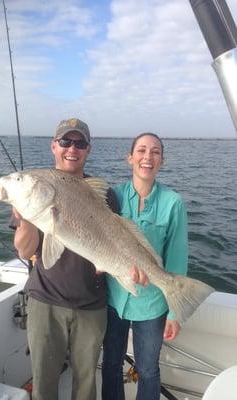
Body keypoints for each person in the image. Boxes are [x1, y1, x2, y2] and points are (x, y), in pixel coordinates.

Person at [13, 118, 139, 400]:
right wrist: (26, 220)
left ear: (88, 150)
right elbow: (24, 251)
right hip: (45, 301)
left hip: (91, 305)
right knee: (44, 384)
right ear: (53, 147)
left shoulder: (103, 194)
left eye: (80, 143)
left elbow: (116, 241)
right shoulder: (34, 189)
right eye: (65, 142)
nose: (72, 148)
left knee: (85, 385)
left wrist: (132, 268)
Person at [101, 132, 188, 400]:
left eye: (155, 152)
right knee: (111, 364)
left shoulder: (173, 202)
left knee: (148, 369)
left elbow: (177, 258)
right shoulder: (111, 196)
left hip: (152, 303)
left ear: (162, 161)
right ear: (130, 158)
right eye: (141, 150)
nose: (147, 157)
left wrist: (175, 313)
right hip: (114, 297)